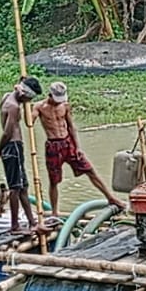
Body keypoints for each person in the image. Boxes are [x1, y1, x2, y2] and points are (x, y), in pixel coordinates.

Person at [37, 80, 126, 215]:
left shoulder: (65, 106)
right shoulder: (39, 107)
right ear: (50, 94)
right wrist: (26, 106)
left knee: (90, 170)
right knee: (54, 180)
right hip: (53, 146)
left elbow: (71, 126)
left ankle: (111, 198)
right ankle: (55, 212)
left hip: (68, 144)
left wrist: (77, 147)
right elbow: (29, 121)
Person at [0, 76, 42, 234]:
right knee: (15, 188)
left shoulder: (7, 96)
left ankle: (32, 222)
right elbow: (7, 132)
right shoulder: (13, 106)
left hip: (14, 148)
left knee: (23, 187)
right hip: (12, 147)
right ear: (24, 95)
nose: (28, 102)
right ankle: (14, 226)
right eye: (28, 98)